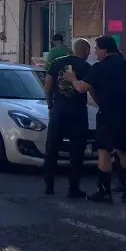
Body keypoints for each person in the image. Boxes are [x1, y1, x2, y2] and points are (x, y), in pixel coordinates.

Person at [64, 35, 126, 204]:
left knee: (104, 152)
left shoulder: (100, 67)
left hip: (109, 115)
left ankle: (103, 191)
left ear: (105, 50)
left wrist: (72, 79)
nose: (95, 53)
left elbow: (82, 88)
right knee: (124, 151)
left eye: (97, 49)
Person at [43, 38, 92, 198]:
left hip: (59, 111)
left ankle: (49, 186)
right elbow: (90, 89)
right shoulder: (86, 67)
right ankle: (73, 187)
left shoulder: (57, 62)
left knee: (52, 148)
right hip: (77, 113)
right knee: (77, 151)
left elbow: (48, 85)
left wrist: (50, 105)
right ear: (85, 52)